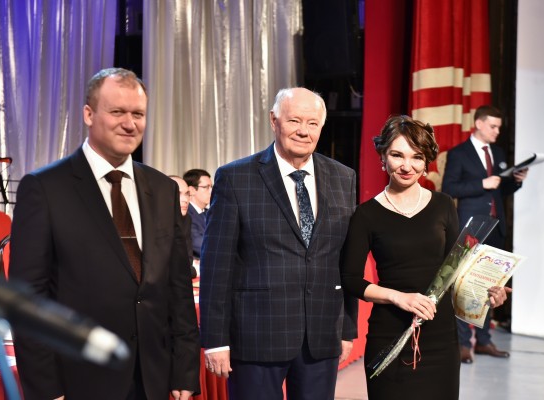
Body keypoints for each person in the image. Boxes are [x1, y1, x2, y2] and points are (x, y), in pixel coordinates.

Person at [9, 68, 200, 400]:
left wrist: (184, 369)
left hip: (153, 379)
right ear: (88, 114)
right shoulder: (45, 188)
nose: (130, 123)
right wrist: (46, 390)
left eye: (138, 114)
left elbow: (178, 286)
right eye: (117, 112)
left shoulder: (162, 189)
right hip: (79, 380)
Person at [200, 87, 358, 400]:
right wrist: (216, 340)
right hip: (256, 336)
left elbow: (344, 261)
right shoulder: (235, 177)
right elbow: (217, 264)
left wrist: (347, 328)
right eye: (294, 121)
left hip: (321, 336)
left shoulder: (343, 177)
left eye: (312, 123)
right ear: (274, 121)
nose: (303, 131)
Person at [340, 115, 510, 400]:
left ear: (426, 160)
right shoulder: (365, 214)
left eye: (416, 157)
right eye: (397, 155)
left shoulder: (443, 205)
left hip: (441, 338)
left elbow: (455, 269)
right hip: (390, 333)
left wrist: (485, 292)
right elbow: (351, 280)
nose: (407, 166)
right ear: (383, 157)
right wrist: (399, 298)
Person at [442, 105, 527, 364]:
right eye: (493, 126)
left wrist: (516, 181)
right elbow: (449, 188)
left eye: (499, 127)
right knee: (464, 284)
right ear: (478, 123)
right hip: (471, 228)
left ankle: (484, 341)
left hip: (496, 228)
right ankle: (462, 344)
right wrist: (482, 183)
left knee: (492, 285)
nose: (497, 131)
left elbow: (499, 191)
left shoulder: (498, 153)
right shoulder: (459, 153)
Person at [183, 169, 212, 275]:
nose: (211, 191)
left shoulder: (210, 213)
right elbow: (201, 245)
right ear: (191, 190)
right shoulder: (186, 215)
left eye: (211, 187)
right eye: (206, 187)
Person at [170, 175, 198, 278]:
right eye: (178, 194)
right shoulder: (151, 219)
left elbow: (187, 260)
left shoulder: (186, 219)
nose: (185, 199)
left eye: (187, 194)